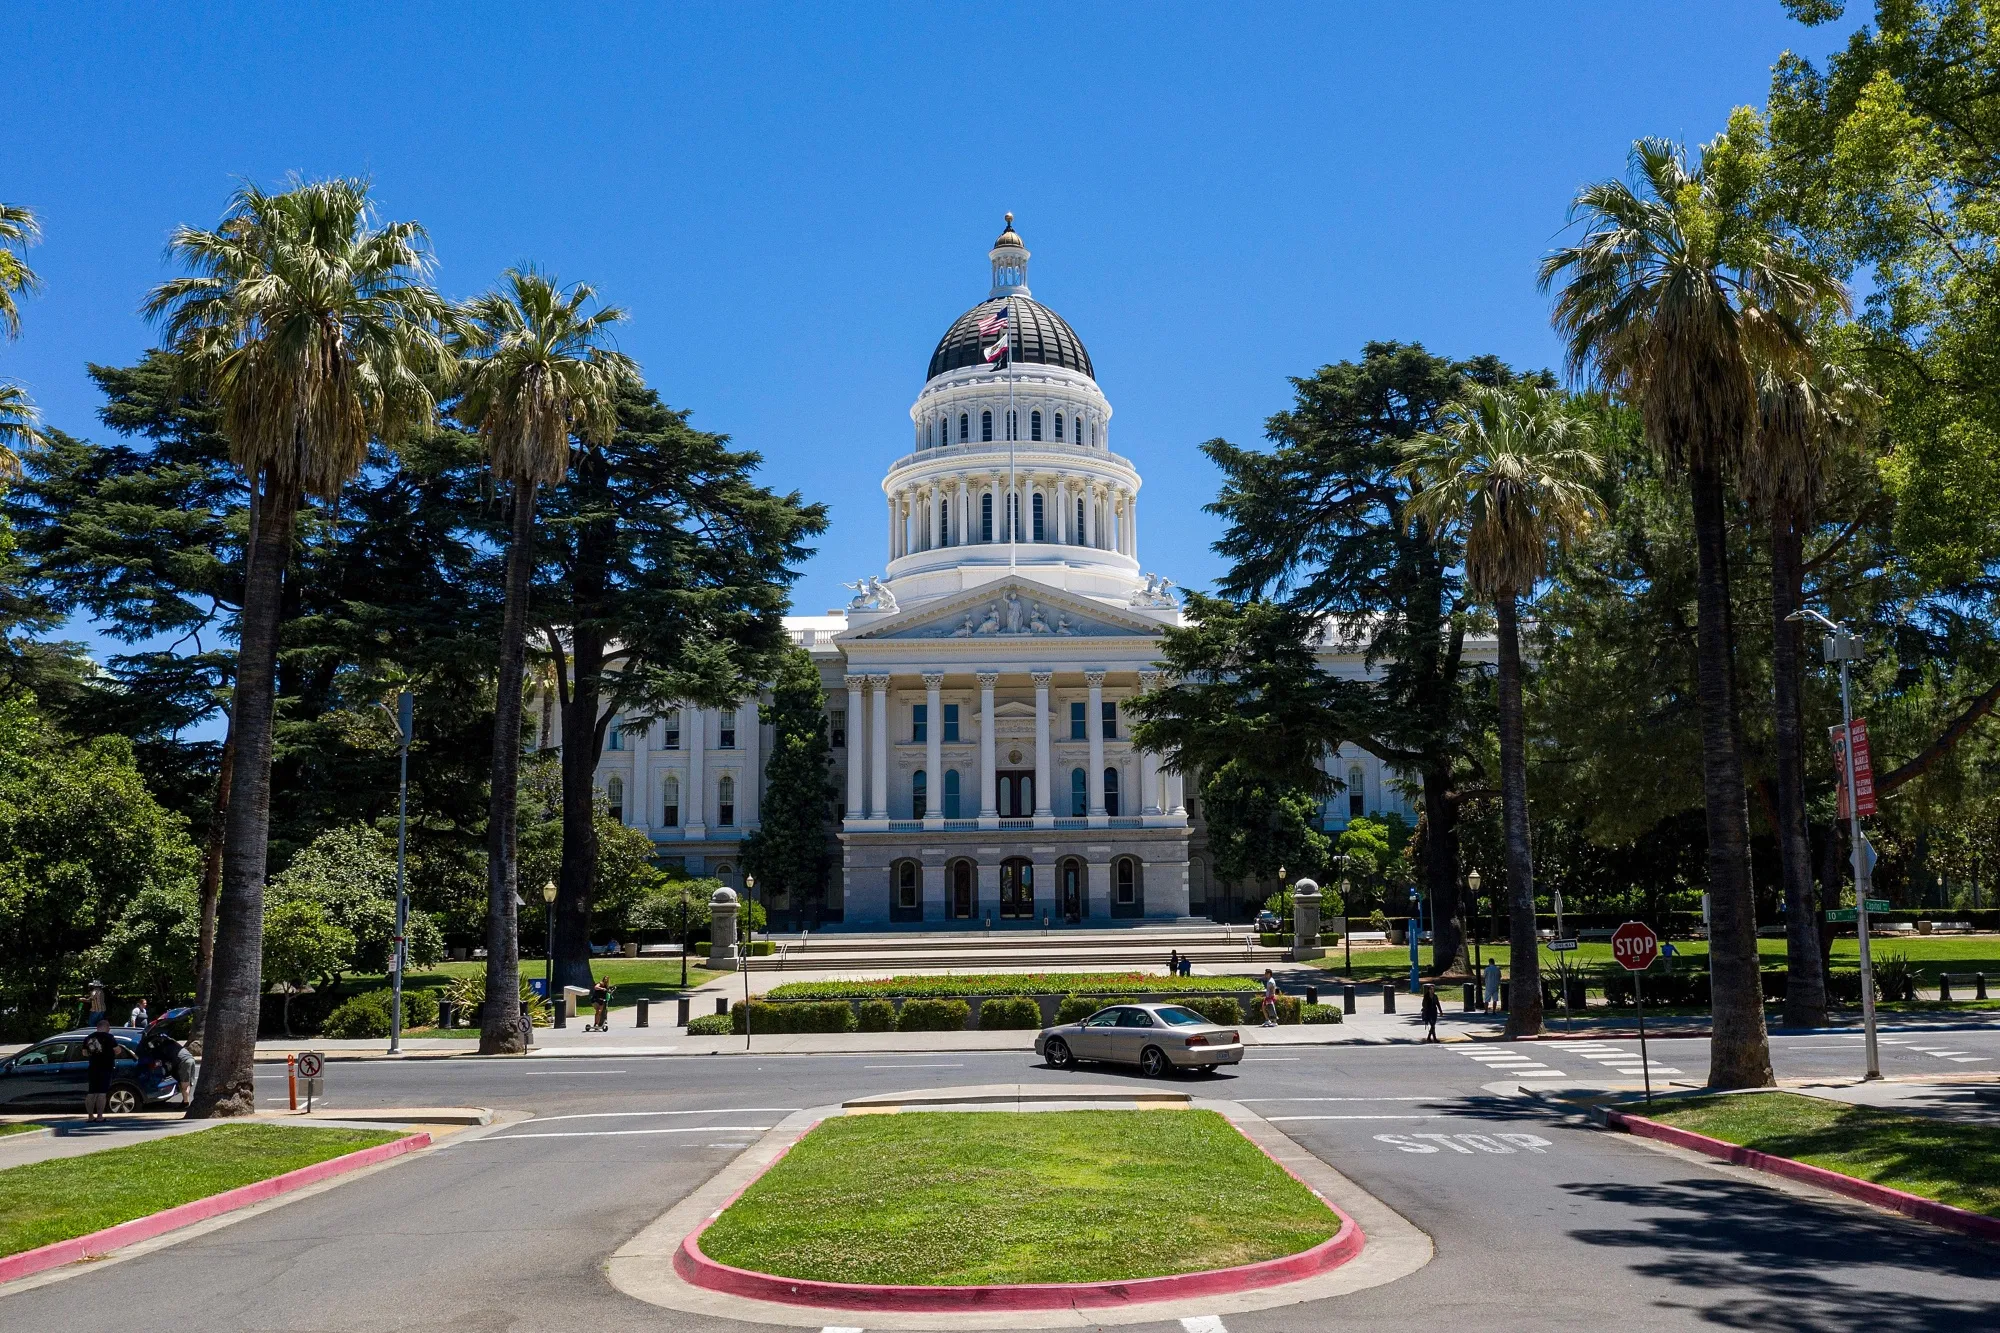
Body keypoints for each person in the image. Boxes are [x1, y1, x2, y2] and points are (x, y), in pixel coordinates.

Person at [81, 1017, 119, 1120]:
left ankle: (90, 1116)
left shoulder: (89, 1038)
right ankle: (100, 1116)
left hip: (93, 1067)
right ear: (106, 1027)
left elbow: (84, 1053)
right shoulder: (109, 1037)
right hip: (106, 1067)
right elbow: (118, 1050)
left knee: (91, 1092)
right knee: (102, 1093)